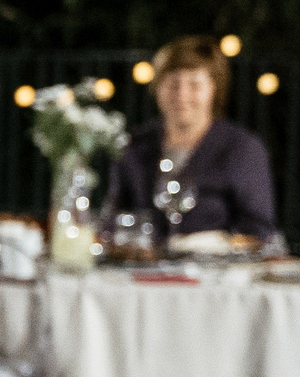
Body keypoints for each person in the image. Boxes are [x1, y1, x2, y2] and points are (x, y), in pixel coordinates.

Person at [104, 34, 280, 242]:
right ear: (157, 87)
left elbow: (259, 232)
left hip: (216, 262)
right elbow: (112, 220)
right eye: (173, 84)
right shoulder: (134, 145)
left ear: (214, 88)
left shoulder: (243, 148)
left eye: (194, 85)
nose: (182, 95)